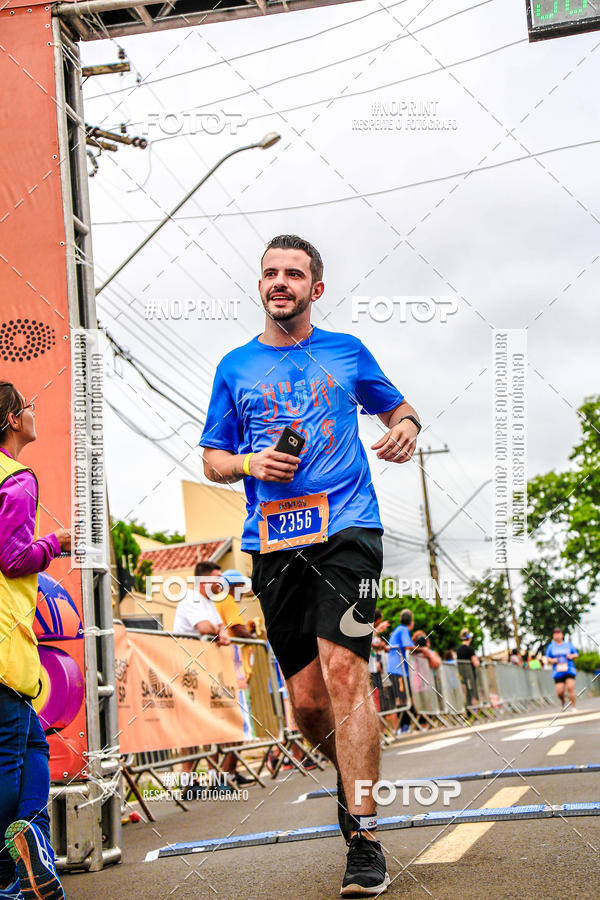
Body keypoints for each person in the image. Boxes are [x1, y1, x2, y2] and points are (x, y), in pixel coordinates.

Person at [201, 234, 420, 896]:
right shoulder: (235, 367)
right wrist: (248, 463)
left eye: (293, 273)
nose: (280, 281)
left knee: (346, 670)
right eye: (270, 272)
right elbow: (212, 457)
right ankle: (351, 778)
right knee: (306, 702)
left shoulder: (346, 352)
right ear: (261, 285)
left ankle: (365, 833)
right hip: (273, 542)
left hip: (349, 531)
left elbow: (398, 408)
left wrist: (406, 426)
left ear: (314, 289)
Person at [0, 382, 69, 900]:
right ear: (11, 420)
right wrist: (54, 544)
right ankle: (10, 867)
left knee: (30, 743)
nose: (33, 411)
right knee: (12, 753)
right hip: (6, 641)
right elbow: (14, 557)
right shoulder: (18, 480)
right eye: (26, 405)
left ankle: (29, 843)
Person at [387, 610, 415, 733]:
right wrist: (421, 648)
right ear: (411, 621)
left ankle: (403, 726)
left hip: (395, 668)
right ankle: (403, 727)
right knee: (403, 698)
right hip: (398, 669)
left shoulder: (398, 629)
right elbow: (407, 645)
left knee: (402, 698)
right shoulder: (404, 629)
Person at [545, 627, 579, 711]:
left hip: (569, 669)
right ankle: (563, 700)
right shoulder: (551, 646)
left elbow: (576, 654)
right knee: (559, 692)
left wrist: (571, 656)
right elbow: (547, 658)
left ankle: (573, 706)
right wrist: (552, 660)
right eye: (555, 634)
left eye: (558, 633)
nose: (557, 635)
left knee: (570, 687)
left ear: (562, 635)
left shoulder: (568, 645)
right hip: (558, 671)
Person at [456, 628, 480, 709]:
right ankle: (474, 711)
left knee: (466, 692)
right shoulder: (470, 649)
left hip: (462, 674)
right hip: (470, 674)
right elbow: (476, 663)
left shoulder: (458, 649)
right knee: (472, 692)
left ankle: (467, 710)